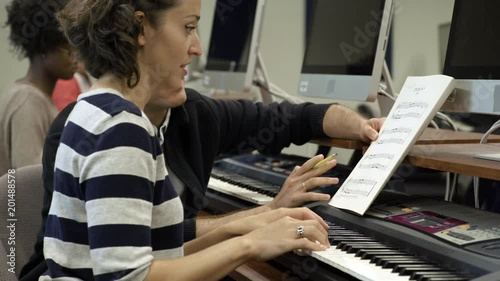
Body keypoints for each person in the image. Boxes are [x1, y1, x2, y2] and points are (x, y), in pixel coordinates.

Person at [38, 0, 355, 280]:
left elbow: (158, 254)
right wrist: (250, 244)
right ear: (141, 28)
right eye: (188, 27)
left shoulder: (92, 108)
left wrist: (244, 227)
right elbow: (133, 277)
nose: (198, 47)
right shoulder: (122, 130)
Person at [0, 0, 77, 175]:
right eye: (68, 50)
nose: (75, 59)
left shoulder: (30, 95)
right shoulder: (28, 102)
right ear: (44, 49)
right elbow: (29, 179)